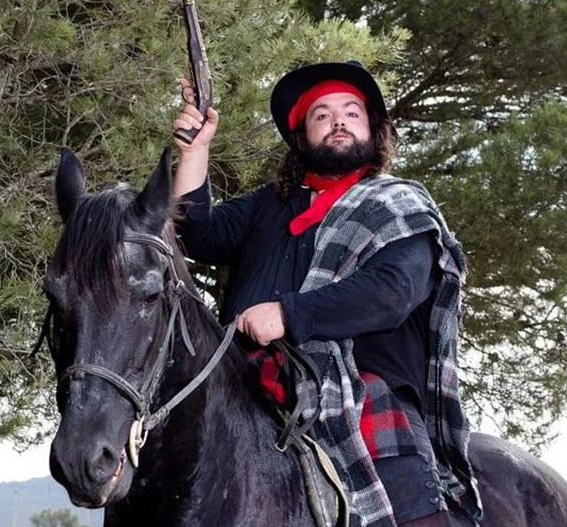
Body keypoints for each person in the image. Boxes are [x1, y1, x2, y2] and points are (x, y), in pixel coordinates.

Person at [172, 62, 482, 527]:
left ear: (373, 131)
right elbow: (196, 235)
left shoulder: (399, 205)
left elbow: (393, 291)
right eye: (321, 115)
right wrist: (196, 153)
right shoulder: (268, 205)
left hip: (363, 392)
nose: (337, 121)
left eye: (351, 113)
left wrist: (288, 313)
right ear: (302, 139)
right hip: (244, 383)